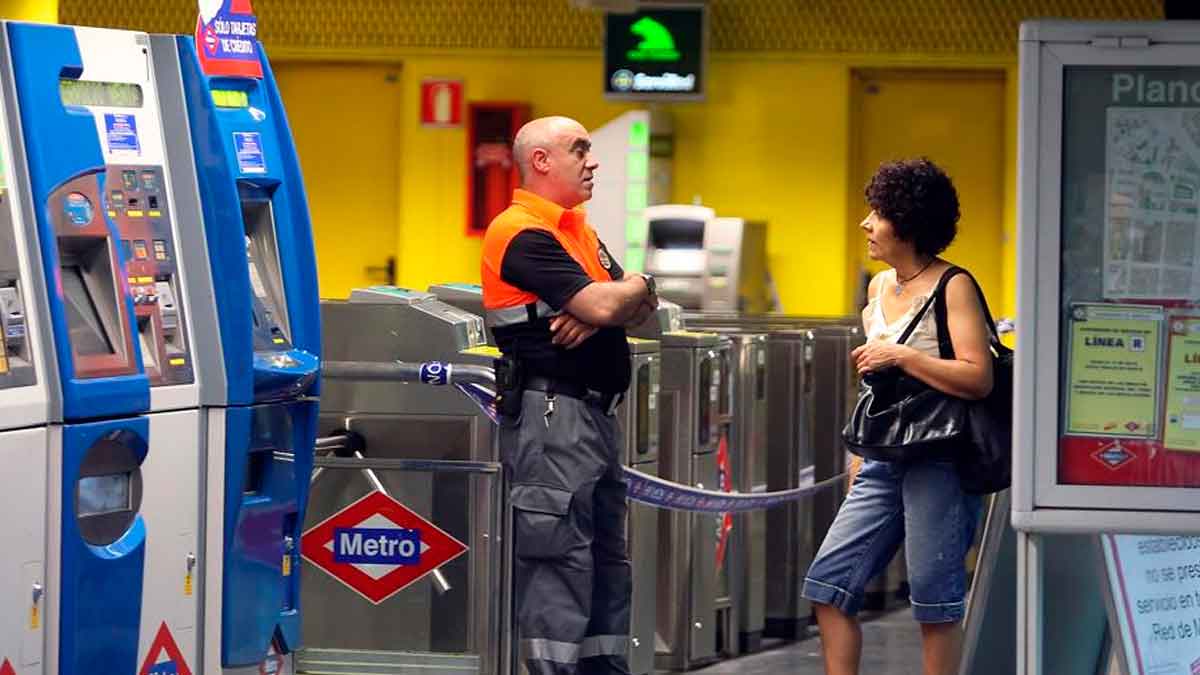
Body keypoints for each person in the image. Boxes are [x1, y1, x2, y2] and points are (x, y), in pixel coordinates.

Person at [802, 158, 993, 675]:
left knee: (935, 600)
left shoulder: (953, 286)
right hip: (883, 455)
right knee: (828, 583)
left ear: (908, 222)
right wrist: (857, 453)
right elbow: (876, 383)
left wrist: (904, 357)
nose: (866, 224)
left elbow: (978, 377)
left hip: (941, 458)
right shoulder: (878, 287)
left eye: (878, 213)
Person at [481, 115, 658, 675]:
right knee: (558, 562)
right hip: (554, 417)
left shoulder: (576, 230)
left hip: (594, 419)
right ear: (541, 161)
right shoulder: (520, 233)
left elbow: (640, 312)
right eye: (580, 150)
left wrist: (628, 294)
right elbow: (608, 306)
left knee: (607, 562)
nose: (593, 160)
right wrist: (609, 304)